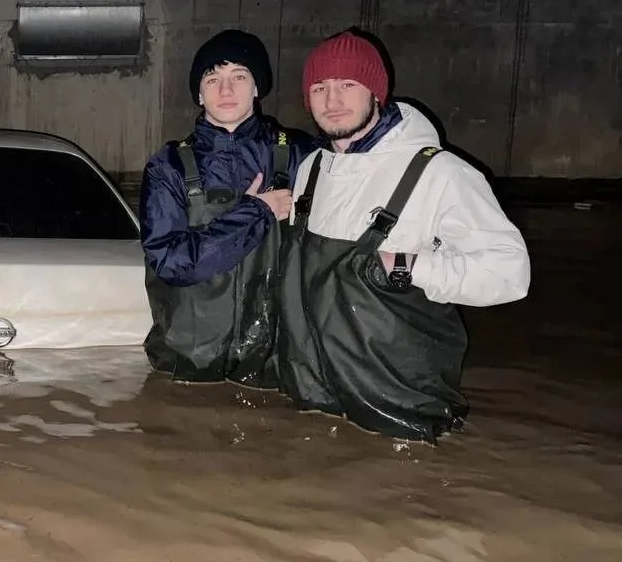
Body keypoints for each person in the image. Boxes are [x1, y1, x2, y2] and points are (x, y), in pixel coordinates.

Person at [277, 28, 531, 443]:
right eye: (320, 87)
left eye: (348, 85)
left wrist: (410, 267)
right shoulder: (312, 170)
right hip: (319, 402)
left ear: (376, 92)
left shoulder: (441, 173)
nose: (333, 100)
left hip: (401, 412)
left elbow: (510, 274)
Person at [140, 29, 319, 388]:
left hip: (276, 367)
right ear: (199, 95)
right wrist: (257, 212)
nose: (226, 90)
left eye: (239, 76)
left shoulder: (303, 153)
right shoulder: (169, 166)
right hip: (188, 365)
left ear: (257, 88)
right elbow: (172, 263)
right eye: (213, 79)